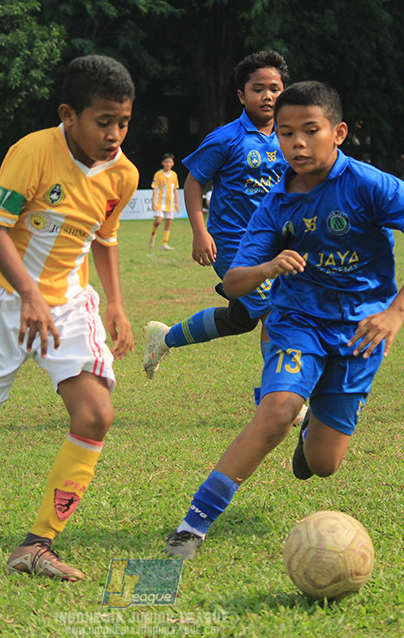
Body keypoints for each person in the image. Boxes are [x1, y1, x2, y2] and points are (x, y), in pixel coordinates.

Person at [162, 80, 404, 560]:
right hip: (297, 322)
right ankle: (193, 526)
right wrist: (270, 267)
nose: (296, 143)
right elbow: (234, 284)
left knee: (324, 463)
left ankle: (313, 424)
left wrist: (395, 313)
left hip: (361, 331)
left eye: (310, 131)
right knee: (275, 411)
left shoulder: (372, 185)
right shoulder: (276, 204)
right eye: (287, 133)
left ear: (337, 133)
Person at [0, 55, 138, 582]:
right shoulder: (32, 152)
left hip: (68, 303)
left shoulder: (125, 175)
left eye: (124, 122)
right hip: (3, 299)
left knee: (96, 414)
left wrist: (115, 303)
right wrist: (27, 292)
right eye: (103, 121)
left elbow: (106, 239)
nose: (115, 134)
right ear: (69, 115)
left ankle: (36, 544)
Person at [143, 51, 289, 388]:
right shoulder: (226, 138)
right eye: (258, 89)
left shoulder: (290, 137)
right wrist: (200, 232)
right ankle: (279, 396)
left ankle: (164, 339)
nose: (267, 96)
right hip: (233, 244)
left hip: (275, 244)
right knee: (277, 312)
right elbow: (193, 181)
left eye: (275, 88)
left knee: (241, 319)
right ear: (242, 95)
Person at [149, 153, 179, 250]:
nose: (167, 164)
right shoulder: (158, 174)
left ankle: (164, 244)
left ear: (172, 163)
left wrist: (177, 203)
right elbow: (155, 188)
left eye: (169, 162)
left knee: (168, 222)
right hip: (160, 202)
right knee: (158, 220)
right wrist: (153, 201)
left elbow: (175, 190)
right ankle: (152, 236)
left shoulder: (174, 175)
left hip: (169, 203)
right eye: (166, 162)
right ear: (162, 163)